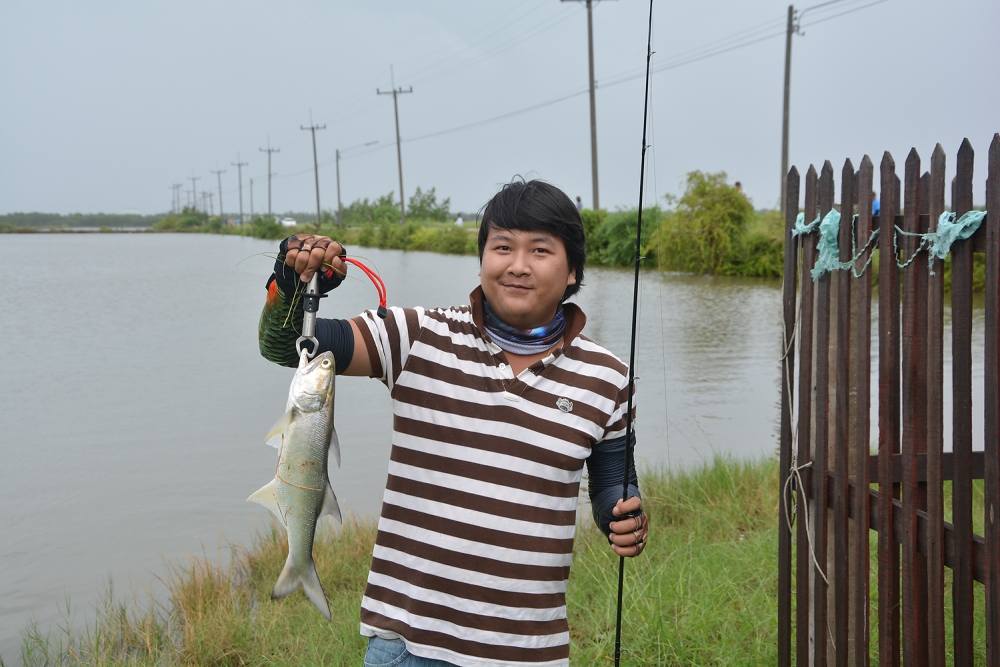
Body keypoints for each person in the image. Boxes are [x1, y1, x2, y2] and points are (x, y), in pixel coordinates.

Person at [258, 179, 648, 666]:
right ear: (483, 259)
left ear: (572, 271)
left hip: (528, 652)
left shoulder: (609, 378)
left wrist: (622, 517)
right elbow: (287, 347)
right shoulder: (417, 336)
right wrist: (291, 286)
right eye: (502, 246)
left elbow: (613, 481)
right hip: (407, 645)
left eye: (540, 250)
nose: (517, 265)